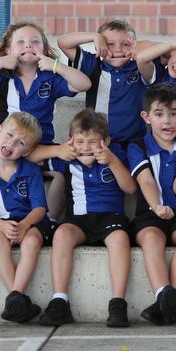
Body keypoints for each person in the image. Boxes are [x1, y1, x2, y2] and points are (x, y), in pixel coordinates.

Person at [0, 21, 91, 220]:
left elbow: (84, 84)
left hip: (39, 143)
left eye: (35, 42)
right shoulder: (2, 77)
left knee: (63, 168)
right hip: (7, 141)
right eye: (20, 42)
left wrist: (56, 65)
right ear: (8, 50)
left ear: (45, 50)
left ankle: (50, 220)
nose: (28, 45)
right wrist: (1, 62)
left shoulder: (49, 78)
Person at [37, 110, 136, 327]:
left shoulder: (116, 155)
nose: (86, 147)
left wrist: (112, 161)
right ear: (71, 141)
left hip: (111, 217)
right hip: (78, 219)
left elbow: (130, 187)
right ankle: (59, 300)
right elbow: (30, 156)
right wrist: (59, 150)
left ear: (106, 141)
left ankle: (118, 302)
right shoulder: (67, 160)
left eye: (93, 141)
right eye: (79, 141)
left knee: (120, 238)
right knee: (61, 234)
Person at [127, 83, 176, 325]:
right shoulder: (137, 146)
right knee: (151, 238)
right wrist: (157, 206)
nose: (167, 121)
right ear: (146, 117)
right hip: (150, 212)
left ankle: (171, 298)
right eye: (159, 114)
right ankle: (163, 292)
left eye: (173, 114)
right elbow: (145, 180)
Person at [0, 112, 54, 323]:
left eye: (20, 143)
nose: (11, 143)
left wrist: (25, 225)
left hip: (29, 221)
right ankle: (17, 299)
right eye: (8, 135)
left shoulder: (31, 171)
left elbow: (39, 209)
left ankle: (14, 297)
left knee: (33, 240)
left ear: (28, 150)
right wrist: (0, 225)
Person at [57, 19, 151, 145]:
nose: (118, 50)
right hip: (98, 142)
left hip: (135, 142)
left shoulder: (140, 66)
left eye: (126, 44)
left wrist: (141, 45)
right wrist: (94, 36)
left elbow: (165, 50)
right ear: (99, 46)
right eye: (110, 44)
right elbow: (63, 42)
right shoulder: (93, 65)